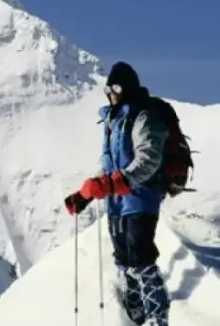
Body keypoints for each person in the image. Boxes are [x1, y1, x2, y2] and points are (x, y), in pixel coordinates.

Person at [64, 61, 171, 326]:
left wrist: (116, 182)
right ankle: (135, 315)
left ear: (127, 88)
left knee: (141, 257)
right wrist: (86, 195)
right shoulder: (113, 120)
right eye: (108, 88)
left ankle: (157, 317)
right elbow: (107, 164)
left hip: (140, 199)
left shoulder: (143, 115)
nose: (111, 93)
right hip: (115, 204)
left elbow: (149, 158)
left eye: (116, 87)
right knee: (123, 260)